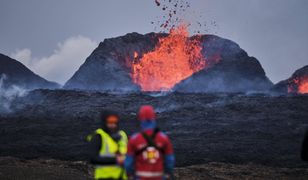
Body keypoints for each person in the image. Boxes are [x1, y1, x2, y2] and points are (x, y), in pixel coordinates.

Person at [124, 105, 175, 180]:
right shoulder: (164, 138)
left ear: (140, 118)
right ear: (154, 118)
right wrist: (168, 174)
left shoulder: (134, 139)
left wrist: (130, 175)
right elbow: (170, 161)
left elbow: (128, 164)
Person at [87, 110, 128, 180]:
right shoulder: (98, 136)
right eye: (110, 122)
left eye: (115, 121)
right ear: (104, 122)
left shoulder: (123, 135)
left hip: (122, 176)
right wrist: (116, 160)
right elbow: (93, 159)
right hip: (104, 177)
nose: (113, 124)